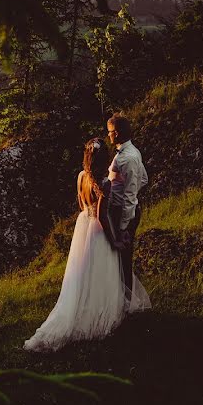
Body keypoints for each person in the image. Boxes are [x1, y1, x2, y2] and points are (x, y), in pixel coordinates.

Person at [23, 138, 150, 352]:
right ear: (103, 159)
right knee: (100, 273)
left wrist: (88, 216)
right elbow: (101, 216)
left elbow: (82, 204)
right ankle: (99, 315)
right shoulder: (104, 183)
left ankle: (81, 309)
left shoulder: (81, 176)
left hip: (83, 225)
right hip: (99, 230)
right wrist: (115, 239)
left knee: (83, 273)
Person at [105, 113, 148, 302]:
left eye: (111, 132)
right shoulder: (130, 152)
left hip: (124, 213)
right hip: (121, 210)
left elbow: (130, 197)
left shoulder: (128, 158)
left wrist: (123, 226)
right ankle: (121, 301)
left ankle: (126, 303)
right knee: (120, 260)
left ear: (118, 133)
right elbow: (143, 179)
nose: (109, 136)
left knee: (123, 260)